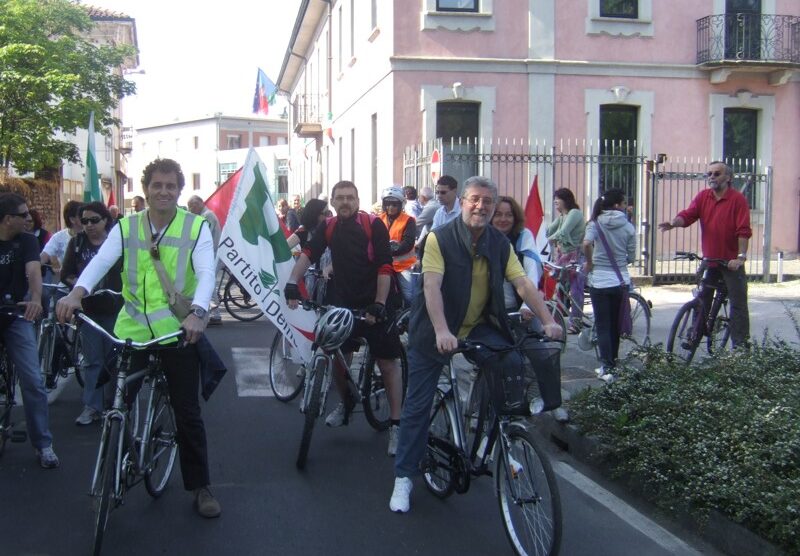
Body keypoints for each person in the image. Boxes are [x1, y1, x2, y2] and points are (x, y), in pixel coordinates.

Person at [57, 158, 222, 518]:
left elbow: (207, 272)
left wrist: (198, 312)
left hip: (176, 334)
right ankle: (120, 451)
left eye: (170, 186)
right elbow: (100, 262)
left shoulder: (196, 228)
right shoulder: (125, 226)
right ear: (145, 189)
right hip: (131, 332)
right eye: (157, 185)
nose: (163, 191)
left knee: (187, 413)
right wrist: (76, 293)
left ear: (179, 190)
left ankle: (201, 487)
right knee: (117, 403)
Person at [388, 176, 562, 514]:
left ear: (494, 206)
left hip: (479, 325)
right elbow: (431, 287)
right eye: (474, 199)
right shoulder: (441, 237)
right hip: (435, 330)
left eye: (487, 201)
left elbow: (523, 283)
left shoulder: (498, 242)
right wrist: (441, 330)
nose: (480, 206)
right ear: (463, 202)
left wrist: (549, 319)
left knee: (510, 363)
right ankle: (404, 477)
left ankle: (499, 439)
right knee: (418, 405)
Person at [285, 180, 405, 456]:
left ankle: (397, 424)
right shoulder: (329, 227)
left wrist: (378, 304)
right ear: (334, 202)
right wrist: (293, 281)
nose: (345, 202)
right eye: (340, 198)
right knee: (335, 352)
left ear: (358, 199)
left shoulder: (372, 224)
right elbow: (309, 252)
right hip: (344, 299)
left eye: (350, 197)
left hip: (378, 298)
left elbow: (385, 266)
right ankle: (347, 402)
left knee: (387, 363)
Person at [658, 161, 752, 347]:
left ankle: (740, 347)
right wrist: (673, 223)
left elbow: (743, 230)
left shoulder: (737, 199)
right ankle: (695, 334)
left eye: (717, 174)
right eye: (709, 174)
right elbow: (688, 214)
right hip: (711, 260)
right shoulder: (703, 197)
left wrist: (740, 257)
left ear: (728, 178)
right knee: (702, 298)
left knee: (738, 302)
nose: (712, 177)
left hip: (730, 261)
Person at [491, 195, 566, 420]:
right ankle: (482, 411)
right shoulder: (483, 237)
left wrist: (527, 306)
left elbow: (530, 273)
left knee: (542, 355)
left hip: (519, 310)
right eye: (498, 214)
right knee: (495, 363)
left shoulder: (523, 237)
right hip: (491, 313)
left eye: (508, 215)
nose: (503, 219)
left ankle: (553, 404)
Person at [0, 193, 58, 468]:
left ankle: (43, 444)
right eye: (23, 214)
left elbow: (34, 271)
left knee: (33, 381)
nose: (28, 218)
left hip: (16, 312)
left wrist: (36, 298)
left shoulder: (27, 240)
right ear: (7, 219)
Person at [60, 202, 122, 425]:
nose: (88, 225)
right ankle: (92, 406)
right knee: (93, 360)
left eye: (94, 220)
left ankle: (115, 403)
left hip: (116, 309)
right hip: (89, 311)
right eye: (84, 221)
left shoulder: (117, 243)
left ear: (106, 220)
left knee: (115, 359)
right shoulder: (76, 243)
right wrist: (78, 285)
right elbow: (65, 274)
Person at [582, 189, 636, 381]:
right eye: (623, 204)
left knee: (603, 325)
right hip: (621, 281)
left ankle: (607, 367)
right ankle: (612, 363)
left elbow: (586, 243)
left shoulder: (595, 223)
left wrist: (589, 263)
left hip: (600, 282)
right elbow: (632, 256)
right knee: (615, 325)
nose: (625, 207)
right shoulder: (628, 227)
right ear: (616, 205)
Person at [546, 188, 586, 334]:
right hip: (563, 257)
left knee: (576, 290)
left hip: (576, 257)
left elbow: (562, 233)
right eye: (554, 198)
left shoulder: (575, 213)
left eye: (558, 198)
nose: (555, 201)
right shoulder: (563, 216)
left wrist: (548, 241)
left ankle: (576, 322)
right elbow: (550, 230)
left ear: (566, 200)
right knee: (558, 285)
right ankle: (560, 316)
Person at [187, 195, 223, 325]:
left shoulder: (207, 216)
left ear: (198, 204)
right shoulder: (205, 215)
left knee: (207, 281)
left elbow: (202, 236)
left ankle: (216, 314)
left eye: (191, 206)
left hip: (213, 254)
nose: (190, 210)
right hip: (212, 253)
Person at [379, 186, 417, 306]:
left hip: (402, 265)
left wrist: (389, 250)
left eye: (394, 205)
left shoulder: (408, 220)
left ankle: (412, 319)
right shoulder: (378, 219)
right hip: (383, 264)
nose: (391, 207)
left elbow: (408, 243)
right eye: (388, 204)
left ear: (401, 205)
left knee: (409, 296)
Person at [41, 200, 83, 276]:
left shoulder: (92, 235)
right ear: (72, 219)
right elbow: (44, 256)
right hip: (67, 282)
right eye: (82, 215)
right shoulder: (58, 237)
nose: (86, 218)